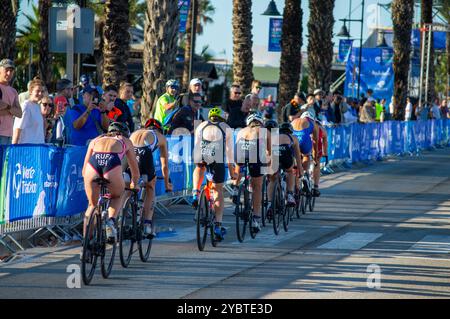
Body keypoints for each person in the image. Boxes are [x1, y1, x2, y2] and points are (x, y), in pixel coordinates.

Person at [82, 122, 140, 242]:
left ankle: (86, 243)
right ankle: (110, 220)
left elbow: (84, 170)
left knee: (92, 205)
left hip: (93, 165)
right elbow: (135, 169)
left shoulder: (95, 140)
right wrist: (135, 183)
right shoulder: (125, 140)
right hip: (111, 164)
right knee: (117, 195)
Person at [192, 108, 236, 240]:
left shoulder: (201, 125)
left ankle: (195, 192)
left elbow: (196, 147)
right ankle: (218, 225)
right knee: (218, 191)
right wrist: (232, 171)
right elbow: (229, 153)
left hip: (202, 152)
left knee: (199, 167)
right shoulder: (226, 127)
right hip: (217, 156)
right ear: (221, 118)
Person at [128, 118, 172, 237]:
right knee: (150, 187)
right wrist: (167, 184)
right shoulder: (161, 137)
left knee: (127, 186)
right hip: (144, 154)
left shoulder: (136, 132)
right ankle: (147, 224)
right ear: (159, 129)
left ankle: (117, 220)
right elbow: (165, 166)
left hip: (130, 153)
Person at [232, 113, 270, 233]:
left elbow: (236, 149)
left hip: (240, 152)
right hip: (255, 154)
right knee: (257, 187)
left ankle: (236, 188)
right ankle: (256, 219)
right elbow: (270, 152)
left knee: (239, 164)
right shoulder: (264, 130)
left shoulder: (241, 131)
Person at [265, 121, 303, 218]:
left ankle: (270, 203)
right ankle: (290, 194)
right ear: (290, 131)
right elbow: (298, 156)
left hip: (274, 152)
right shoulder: (293, 138)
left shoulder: (274, 136)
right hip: (285, 153)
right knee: (290, 171)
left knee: (272, 179)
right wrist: (300, 169)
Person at [12, 79, 46, 144]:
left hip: (37, 149)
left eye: (42, 91)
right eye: (37, 91)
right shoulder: (26, 106)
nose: (40, 93)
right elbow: (18, 128)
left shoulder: (38, 107)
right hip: (26, 149)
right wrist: (14, 148)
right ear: (31, 91)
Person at [291, 111, 319, 183]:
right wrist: (315, 158)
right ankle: (304, 173)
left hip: (293, 139)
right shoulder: (313, 123)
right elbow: (315, 142)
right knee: (306, 155)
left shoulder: (294, 120)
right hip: (304, 139)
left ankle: (295, 178)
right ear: (312, 119)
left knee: (294, 157)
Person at [0, 58, 22, 145]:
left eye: (11, 71)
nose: (9, 73)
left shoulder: (13, 91)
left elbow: (19, 113)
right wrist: (12, 110)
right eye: (6, 70)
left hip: (9, 134)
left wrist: (7, 106)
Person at [312, 115, 328, 197]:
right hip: (317, 145)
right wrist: (326, 154)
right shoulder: (321, 128)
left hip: (306, 144)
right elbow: (325, 142)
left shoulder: (301, 124)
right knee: (317, 164)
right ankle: (315, 186)